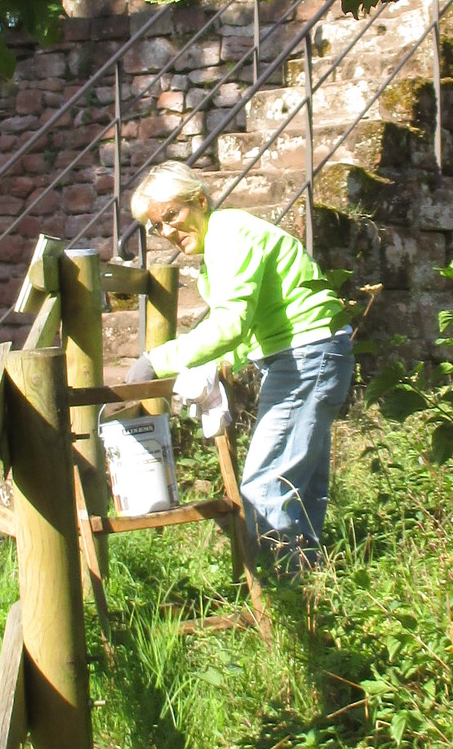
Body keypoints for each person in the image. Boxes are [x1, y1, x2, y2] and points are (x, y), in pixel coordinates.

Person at [124, 163, 352, 566]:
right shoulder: (223, 238)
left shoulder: (229, 235)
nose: (168, 231)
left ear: (199, 200)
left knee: (265, 487)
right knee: (300, 487)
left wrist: (156, 361)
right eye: (157, 226)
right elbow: (247, 325)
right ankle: (310, 580)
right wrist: (218, 363)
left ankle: (279, 592)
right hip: (313, 350)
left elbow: (231, 324)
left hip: (306, 355)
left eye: (172, 214)